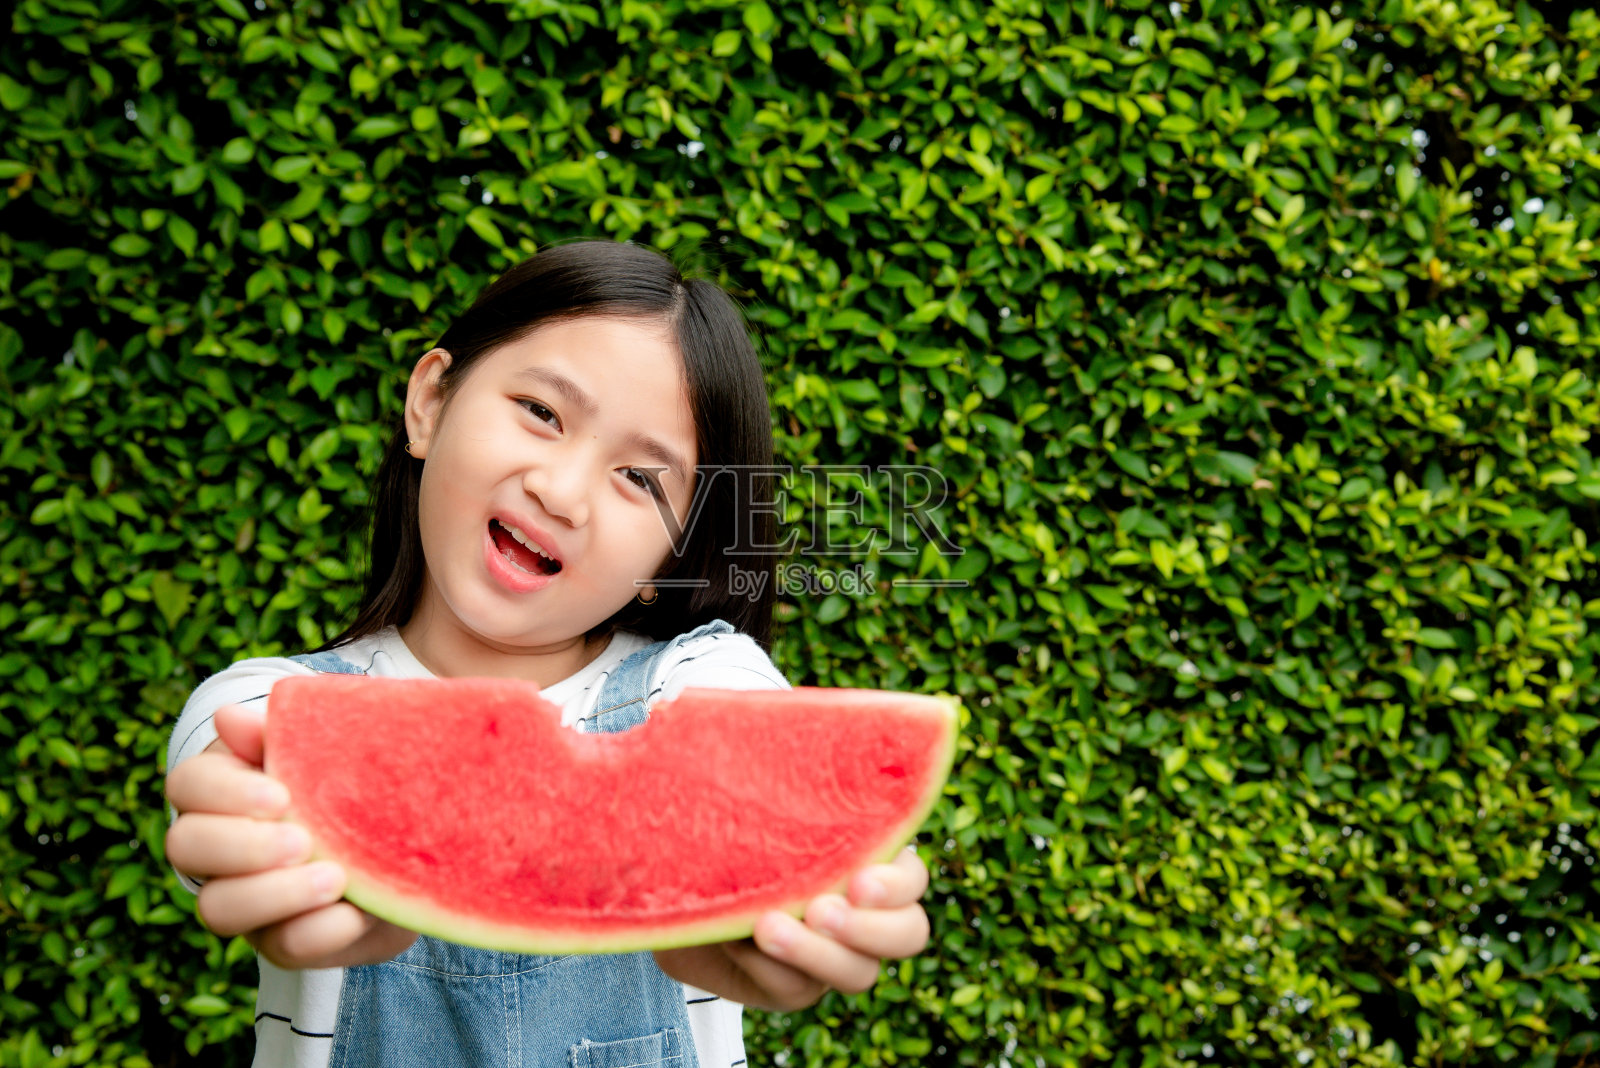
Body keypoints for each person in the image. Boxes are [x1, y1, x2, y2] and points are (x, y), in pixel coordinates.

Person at [163, 241, 932, 1068]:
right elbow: (232, 769)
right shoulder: (263, 701)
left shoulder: (699, 680)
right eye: (541, 411)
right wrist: (275, 835)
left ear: (670, 558)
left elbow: (763, 753)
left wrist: (820, 880)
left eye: (641, 479)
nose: (560, 492)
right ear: (429, 402)